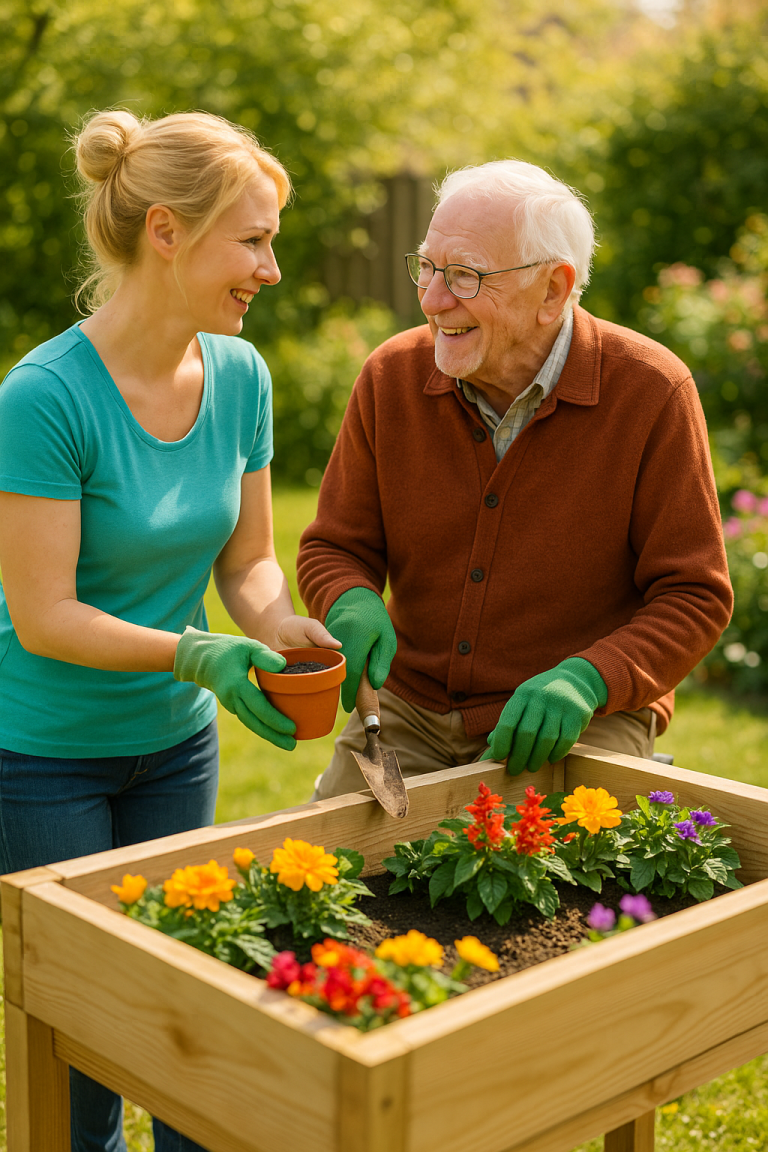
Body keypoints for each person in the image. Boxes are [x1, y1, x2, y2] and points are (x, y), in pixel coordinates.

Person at [0, 109, 338, 1152]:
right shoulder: (43, 397)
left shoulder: (240, 377)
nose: (271, 270)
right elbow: (43, 617)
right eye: (254, 240)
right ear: (165, 231)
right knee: (87, 1051)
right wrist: (198, 651)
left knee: (193, 1029)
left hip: (177, 748)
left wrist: (281, 627)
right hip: (45, 763)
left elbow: (246, 562)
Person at [298, 159, 733, 800]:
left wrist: (588, 679)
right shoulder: (391, 376)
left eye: (466, 276)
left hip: (574, 720)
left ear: (554, 290)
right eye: (428, 267)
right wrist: (349, 600)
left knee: (558, 887)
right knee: (320, 873)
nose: (433, 299)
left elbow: (695, 595)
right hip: (406, 714)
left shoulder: (652, 391)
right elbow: (335, 547)